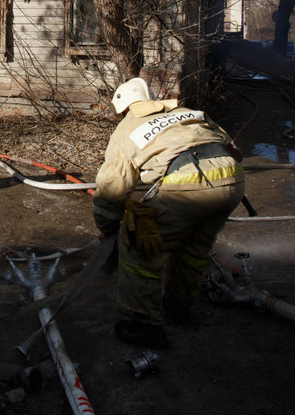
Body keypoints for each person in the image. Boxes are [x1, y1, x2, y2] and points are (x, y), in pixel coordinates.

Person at [92, 77, 245, 349]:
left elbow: (112, 186)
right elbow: (236, 151)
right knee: (194, 248)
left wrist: (108, 226)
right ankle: (178, 307)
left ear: (124, 109)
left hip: (187, 185)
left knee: (139, 248)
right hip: (232, 180)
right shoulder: (189, 112)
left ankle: (141, 325)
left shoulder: (127, 128)